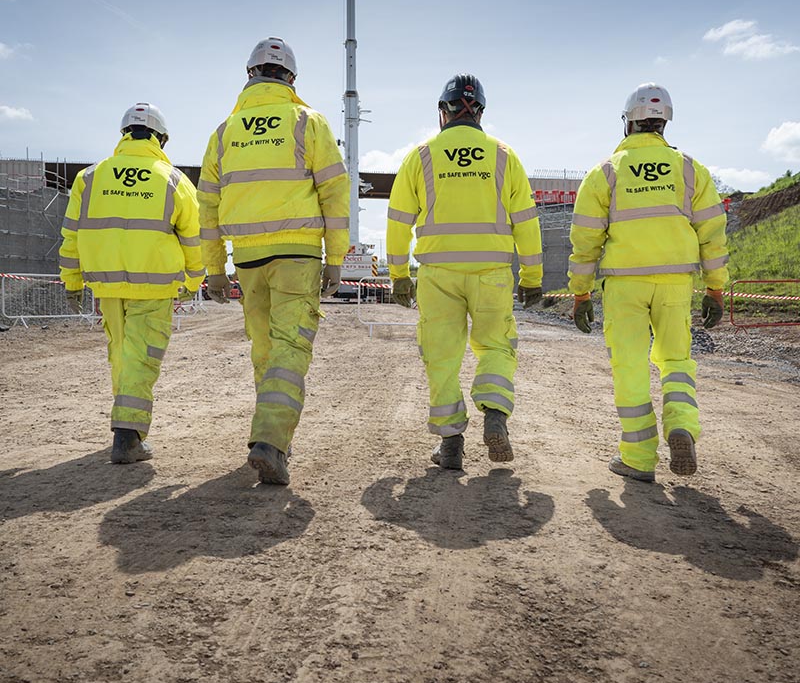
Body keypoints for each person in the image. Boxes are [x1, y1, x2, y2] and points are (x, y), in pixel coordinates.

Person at [197, 37, 349, 485]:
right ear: (291, 79)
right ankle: (271, 440)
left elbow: (207, 208)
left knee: (264, 350)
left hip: (247, 259)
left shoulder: (223, 133)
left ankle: (273, 435)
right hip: (298, 254)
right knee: (290, 348)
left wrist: (214, 270)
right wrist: (336, 258)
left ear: (250, 75)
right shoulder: (309, 123)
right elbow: (335, 195)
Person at [568, 82, 729, 482]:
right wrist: (714, 288)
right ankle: (681, 426)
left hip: (625, 286)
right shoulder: (691, 170)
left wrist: (581, 293)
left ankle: (639, 459)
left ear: (628, 124)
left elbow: (585, 240)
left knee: (631, 367)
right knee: (676, 361)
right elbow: (713, 233)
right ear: (664, 123)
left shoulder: (605, 173)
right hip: (676, 282)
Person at [386, 74, 543, 470]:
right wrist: (533, 278)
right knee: (495, 345)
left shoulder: (421, 155)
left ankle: (451, 444)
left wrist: (398, 273)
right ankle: (494, 413)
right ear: (481, 113)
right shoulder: (504, 156)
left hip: (438, 275)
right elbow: (527, 222)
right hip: (491, 272)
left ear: (443, 112)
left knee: (442, 356)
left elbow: (398, 221)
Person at [59, 103, 204, 463]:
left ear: (124, 134)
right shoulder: (174, 180)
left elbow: (71, 234)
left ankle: (127, 423)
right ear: (161, 138)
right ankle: (127, 436)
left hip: (106, 286)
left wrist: (72, 280)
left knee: (122, 356)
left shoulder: (89, 178)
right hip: (154, 287)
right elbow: (193, 238)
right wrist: (195, 278)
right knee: (141, 358)